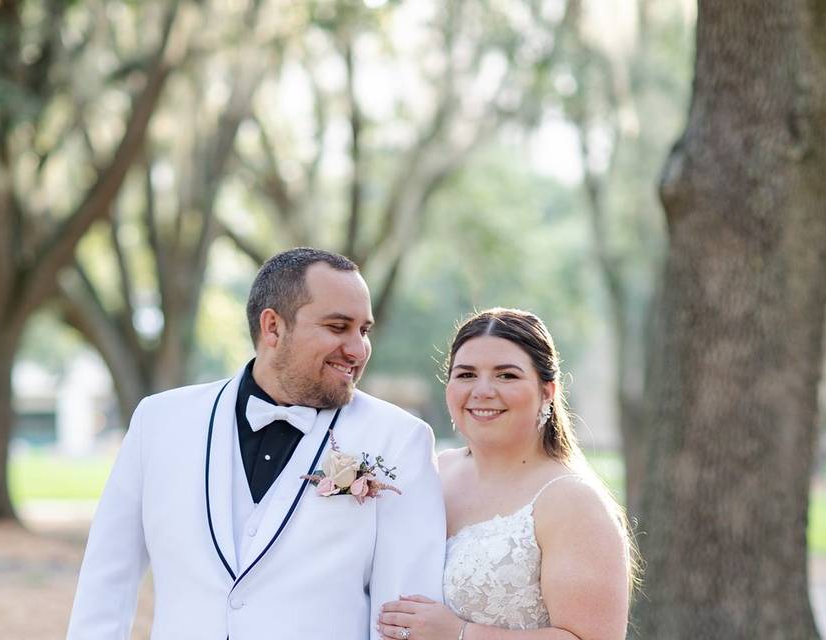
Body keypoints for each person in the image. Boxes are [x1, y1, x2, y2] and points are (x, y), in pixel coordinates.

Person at [67, 247, 446, 640]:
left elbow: (403, 616)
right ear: (272, 328)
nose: (358, 349)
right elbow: (106, 582)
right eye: (338, 327)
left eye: (363, 331)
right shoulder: (160, 421)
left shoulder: (400, 439)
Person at [379, 308, 636, 640]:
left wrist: (460, 634)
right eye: (466, 375)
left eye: (506, 376)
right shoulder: (434, 471)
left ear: (548, 392)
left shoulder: (571, 501)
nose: (482, 390)